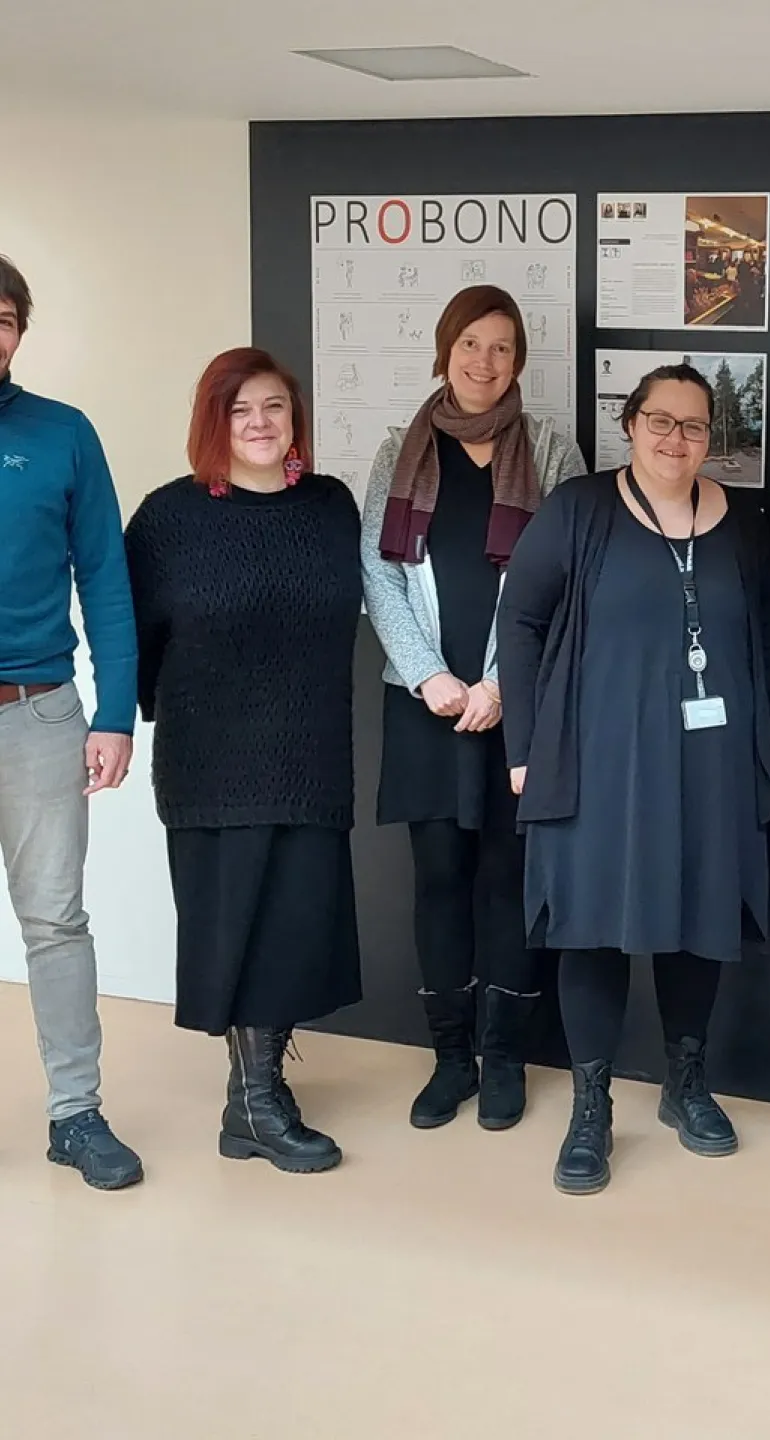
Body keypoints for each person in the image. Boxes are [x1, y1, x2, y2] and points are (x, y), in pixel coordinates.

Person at [496, 363, 770, 1196]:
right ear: (630, 424)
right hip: (597, 758)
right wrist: (523, 747)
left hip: (711, 761)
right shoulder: (580, 510)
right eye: (661, 421)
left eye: (695, 426)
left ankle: (684, 1086)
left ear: (713, 440)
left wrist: (768, 752)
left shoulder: (742, 525)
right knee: (591, 922)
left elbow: (768, 637)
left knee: (698, 915)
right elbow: (519, 619)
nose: (676, 439)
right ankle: (592, 1106)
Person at [124, 348, 362, 1174]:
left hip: (309, 753)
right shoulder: (167, 519)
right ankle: (257, 1100)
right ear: (213, 421)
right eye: (240, 410)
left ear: (295, 419)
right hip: (212, 759)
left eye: (274, 407)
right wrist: (142, 716)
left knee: (294, 930)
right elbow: (135, 639)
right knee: (239, 930)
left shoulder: (332, 508)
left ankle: (252, 1099)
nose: (260, 423)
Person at [361, 286, 586, 1132]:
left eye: (500, 347)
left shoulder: (553, 449)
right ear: (444, 348)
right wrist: (428, 676)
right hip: (425, 707)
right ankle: (449, 1057)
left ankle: (503, 1059)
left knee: (507, 879)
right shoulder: (401, 449)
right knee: (439, 882)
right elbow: (377, 569)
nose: (483, 361)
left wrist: (498, 685)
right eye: (469, 343)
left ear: (519, 360)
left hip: (511, 708)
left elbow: (563, 579)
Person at [0, 255, 142, 1190]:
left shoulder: (62, 435)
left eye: (4, 316)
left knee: (55, 921)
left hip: (38, 713)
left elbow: (107, 579)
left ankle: (75, 1113)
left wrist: (115, 711)